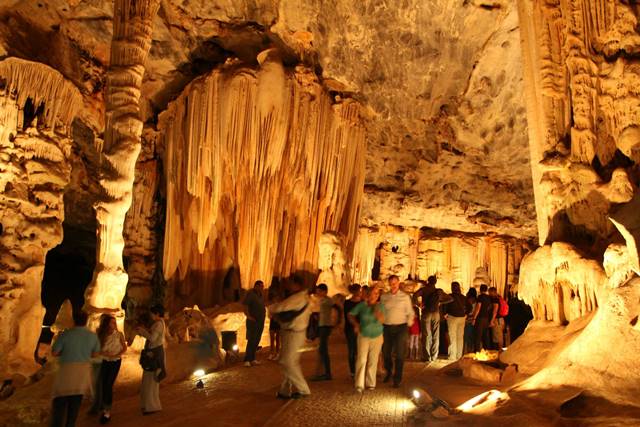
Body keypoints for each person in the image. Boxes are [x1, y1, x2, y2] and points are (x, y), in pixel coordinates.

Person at [50, 309, 100, 427]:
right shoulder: (92, 336)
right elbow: (95, 354)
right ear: (86, 321)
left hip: (66, 372)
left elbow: (55, 352)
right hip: (81, 374)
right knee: (75, 405)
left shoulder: (65, 334)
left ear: (74, 320)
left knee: (59, 404)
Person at [268, 276, 312, 399]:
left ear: (297, 285)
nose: (288, 286)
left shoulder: (298, 297)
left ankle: (304, 390)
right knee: (286, 360)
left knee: (287, 361)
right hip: (291, 332)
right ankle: (285, 390)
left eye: (291, 283)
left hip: (294, 333)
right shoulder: (299, 296)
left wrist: (271, 308)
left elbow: (281, 307)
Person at [349, 286, 386, 392]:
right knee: (361, 359)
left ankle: (371, 383)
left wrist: (376, 311)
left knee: (373, 360)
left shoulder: (380, 306)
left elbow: (383, 320)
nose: (375, 296)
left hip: (377, 336)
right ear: (369, 294)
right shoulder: (362, 305)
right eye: (374, 293)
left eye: (377, 294)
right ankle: (359, 384)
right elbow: (350, 314)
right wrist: (356, 324)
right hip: (364, 335)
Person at [380, 275, 415, 388]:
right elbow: (381, 311)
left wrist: (408, 324)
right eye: (391, 283)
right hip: (387, 327)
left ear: (398, 283)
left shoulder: (405, 297)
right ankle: (389, 371)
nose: (393, 285)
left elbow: (410, 312)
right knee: (386, 352)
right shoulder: (384, 297)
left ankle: (397, 378)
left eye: (395, 283)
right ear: (389, 284)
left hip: (401, 327)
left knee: (400, 354)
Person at [413, 275, 453, 362]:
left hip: (426, 313)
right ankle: (434, 356)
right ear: (435, 282)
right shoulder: (438, 291)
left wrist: (418, 304)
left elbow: (414, 295)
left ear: (428, 281)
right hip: (436, 313)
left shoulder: (424, 289)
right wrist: (440, 302)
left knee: (426, 334)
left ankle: (427, 356)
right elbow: (450, 299)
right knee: (436, 334)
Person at [95, 314, 127, 424]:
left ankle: (107, 412)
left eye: (115, 322)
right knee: (103, 384)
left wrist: (116, 355)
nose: (114, 324)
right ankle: (103, 405)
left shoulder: (119, 334)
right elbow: (97, 349)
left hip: (115, 361)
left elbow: (124, 347)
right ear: (106, 323)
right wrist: (104, 353)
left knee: (108, 384)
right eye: (112, 322)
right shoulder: (101, 335)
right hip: (104, 361)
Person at [137, 304, 166, 415]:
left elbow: (152, 338)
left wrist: (143, 331)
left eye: (152, 314)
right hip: (153, 353)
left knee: (150, 381)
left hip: (154, 354)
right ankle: (148, 405)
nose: (151, 316)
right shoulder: (159, 323)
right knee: (148, 381)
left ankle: (152, 406)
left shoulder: (159, 324)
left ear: (157, 314)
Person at [311, 283, 333, 381]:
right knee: (322, 350)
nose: (317, 292)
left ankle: (327, 373)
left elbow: (334, 306)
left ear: (324, 291)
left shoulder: (326, 301)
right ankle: (322, 372)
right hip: (322, 326)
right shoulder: (322, 301)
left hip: (325, 326)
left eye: (319, 290)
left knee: (323, 350)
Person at [243, 280, 266, 367]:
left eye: (262, 286)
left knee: (257, 339)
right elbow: (245, 306)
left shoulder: (260, 295)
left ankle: (252, 358)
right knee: (251, 339)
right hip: (253, 321)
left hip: (260, 321)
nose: (262, 288)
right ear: (256, 286)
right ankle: (247, 359)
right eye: (261, 286)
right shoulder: (251, 294)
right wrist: (248, 316)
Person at [445, 282, 469, 360]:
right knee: (460, 337)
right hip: (462, 318)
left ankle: (452, 356)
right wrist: (466, 314)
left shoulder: (449, 296)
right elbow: (470, 307)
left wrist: (445, 313)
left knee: (453, 337)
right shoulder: (463, 297)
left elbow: (445, 306)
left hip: (452, 317)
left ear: (452, 288)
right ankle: (459, 356)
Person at [471, 285, 498, 352]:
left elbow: (478, 307)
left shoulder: (480, 297)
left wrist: (474, 318)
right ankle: (487, 351)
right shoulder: (489, 298)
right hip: (487, 319)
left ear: (480, 290)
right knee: (486, 336)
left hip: (480, 318)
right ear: (486, 290)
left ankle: (477, 352)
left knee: (478, 336)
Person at [343, 284, 362, 377]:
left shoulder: (363, 302)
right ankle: (353, 371)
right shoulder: (347, 303)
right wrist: (355, 325)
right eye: (359, 290)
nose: (360, 292)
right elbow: (348, 316)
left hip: (361, 329)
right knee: (351, 351)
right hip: (350, 329)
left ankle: (358, 370)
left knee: (359, 350)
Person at [267, 282, 282, 360]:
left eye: (277, 298)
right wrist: (273, 316)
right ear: (273, 299)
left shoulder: (281, 306)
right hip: (273, 323)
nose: (276, 299)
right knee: (272, 339)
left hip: (278, 323)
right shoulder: (270, 307)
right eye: (275, 298)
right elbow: (269, 316)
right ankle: (271, 353)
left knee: (278, 339)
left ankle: (277, 353)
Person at [464, 287, 478, 354]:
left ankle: (466, 351)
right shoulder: (477, 300)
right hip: (474, 320)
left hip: (468, 319)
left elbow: (467, 310)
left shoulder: (467, 300)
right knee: (472, 336)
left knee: (467, 336)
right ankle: (471, 350)